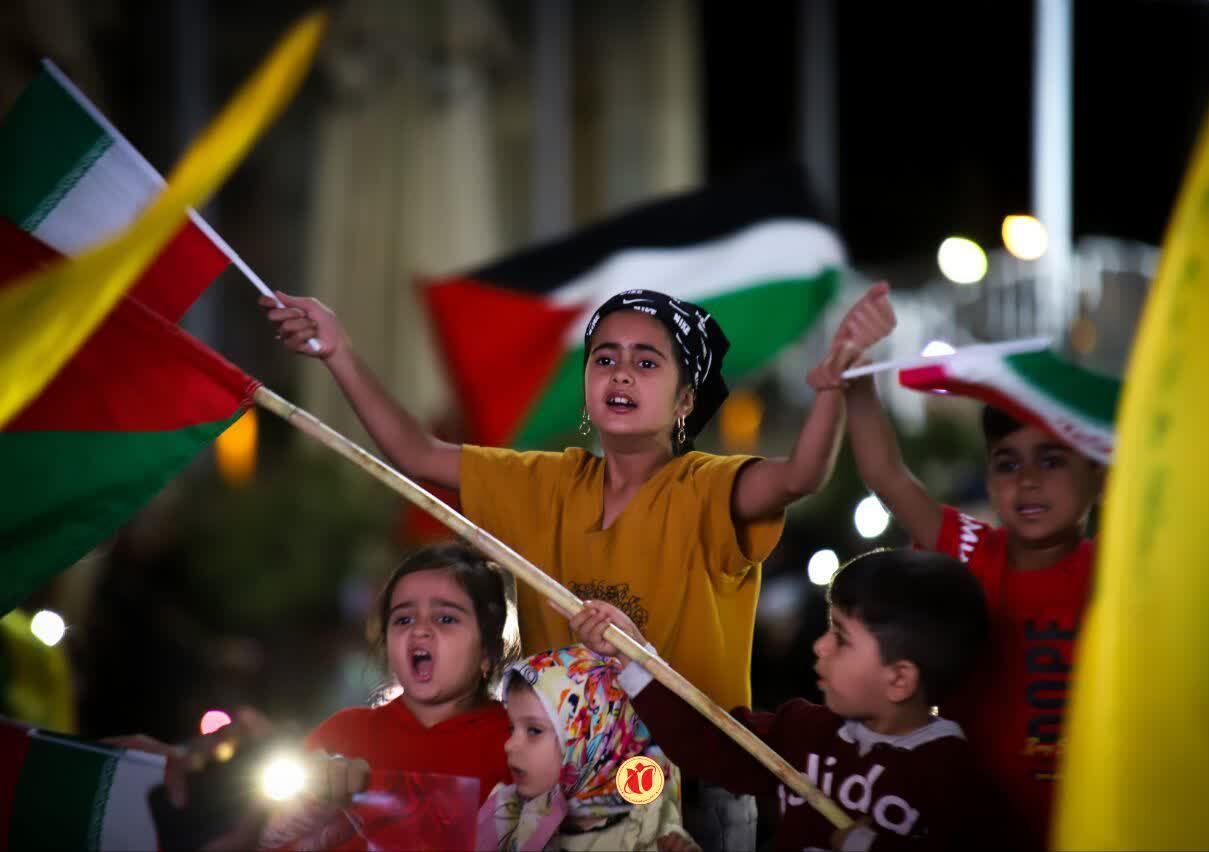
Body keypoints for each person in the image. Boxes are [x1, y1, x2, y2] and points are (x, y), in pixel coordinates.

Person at [262, 283, 895, 849]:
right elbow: (416, 453)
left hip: (697, 791)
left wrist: (835, 385)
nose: (622, 374)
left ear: (685, 399)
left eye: (646, 362)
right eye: (605, 359)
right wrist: (338, 350)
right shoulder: (544, 482)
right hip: (561, 793)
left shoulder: (708, 485)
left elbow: (801, 475)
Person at [838, 292, 1105, 848]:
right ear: (987, 478)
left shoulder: (1116, 573)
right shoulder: (968, 553)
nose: (1027, 480)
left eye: (1051, 460)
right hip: (965, 830)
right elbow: (888, 476)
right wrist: (859, 376)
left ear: (1099, 477)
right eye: (1007, 464)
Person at [570, 549, 1016, 851]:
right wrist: (633, 655)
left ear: (899, 679)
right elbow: (707, 740)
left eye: (841, 637)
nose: (819, 646)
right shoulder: (806, 729)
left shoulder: (954, 780)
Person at [264, 543, 520, 849]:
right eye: (403, 619)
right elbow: (275, 841)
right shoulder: (342, 734)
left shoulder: (519, 741)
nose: (420, 630)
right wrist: (314, 803)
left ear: (488, 650)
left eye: (446, 618)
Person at [478, 645, 697, 851]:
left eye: (534, 730)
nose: (509, 744)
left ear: (595, 740)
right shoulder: (504, 815)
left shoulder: (647, 829)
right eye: (511, 728)